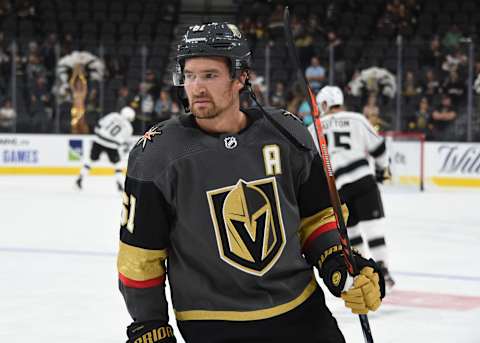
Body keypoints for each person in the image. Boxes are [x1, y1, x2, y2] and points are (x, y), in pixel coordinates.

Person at [117, 23, 385, 343]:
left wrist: (337, 262)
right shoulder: (157, 154)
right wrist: (149, 324)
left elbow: (318, 218)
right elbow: (140, 256)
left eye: (210, 75)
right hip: (213, 322)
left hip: (301, 312)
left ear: (241, 77)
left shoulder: (287, 133)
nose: (197, 87)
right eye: (190, 75)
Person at [309, 86, 395, 291]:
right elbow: (379, 147)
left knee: (352, 231)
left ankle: (364, 273)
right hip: (363, 180)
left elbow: (311, 162)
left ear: (323, 105)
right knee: (373, 227)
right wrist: (383, 170)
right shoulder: (357, 119)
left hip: (338, 189)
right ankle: (383, 271)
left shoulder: (315, 128)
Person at [75, 106, 135, 191]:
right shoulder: (129, 127)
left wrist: (99, 133)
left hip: (99, 139)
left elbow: (100, 124)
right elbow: (123, 141)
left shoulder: (113, 115)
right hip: (112, 144)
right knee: (117, 164)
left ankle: (80, 178)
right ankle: (119, 184)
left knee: (91, 160)